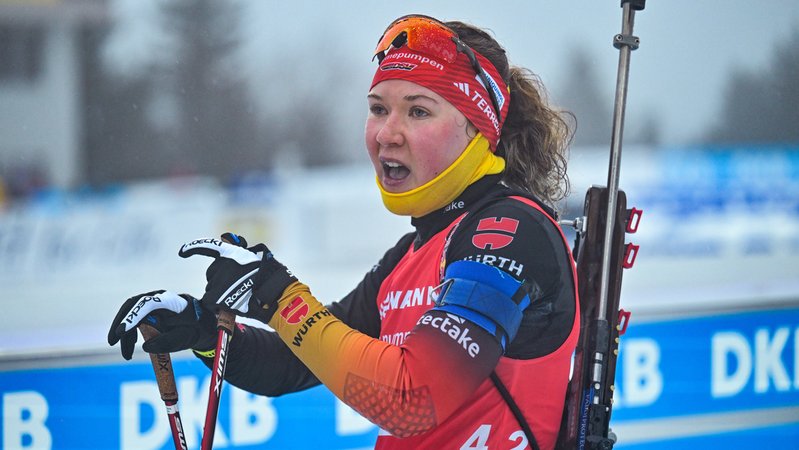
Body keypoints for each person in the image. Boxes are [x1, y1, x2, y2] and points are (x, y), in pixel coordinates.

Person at [108, 14, 578, 450]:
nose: (386, 133)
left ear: (479, 129)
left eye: (418, 112)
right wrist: (206, 331)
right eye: (378, 109)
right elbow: (298, 359)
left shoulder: (507, 231)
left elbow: (412, 399)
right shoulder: (415, 251)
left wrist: (279, 295)